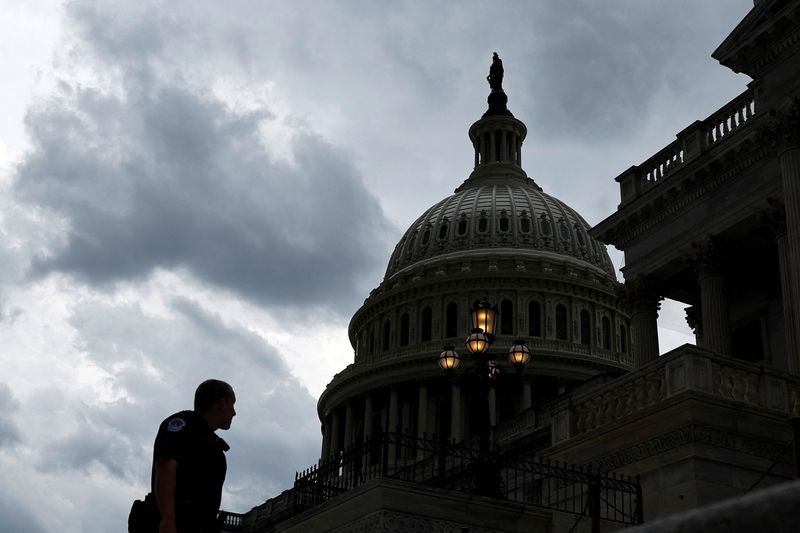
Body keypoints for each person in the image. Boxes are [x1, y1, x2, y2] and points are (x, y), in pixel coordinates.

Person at [151, 379, 236, 533]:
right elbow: (165, 466)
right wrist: (167, 521)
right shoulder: (184, 424)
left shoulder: (211, 442)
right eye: (232, 404)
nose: (234, 412)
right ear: (221, 404)